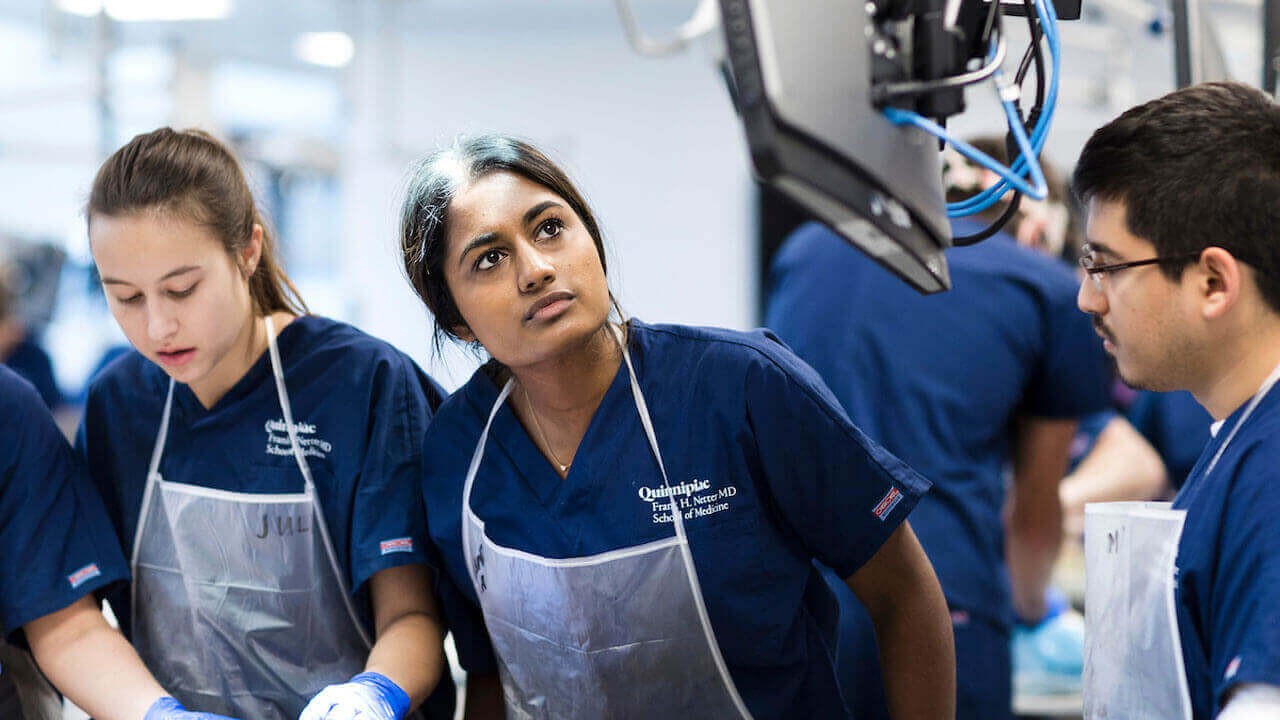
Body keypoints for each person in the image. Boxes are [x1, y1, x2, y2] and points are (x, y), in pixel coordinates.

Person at [399, 135, 955, 719]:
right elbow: (492, 673)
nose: (536, 269)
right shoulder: (457, 451)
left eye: (549, 228)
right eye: (489, 259)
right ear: (456, 320)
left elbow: (904, 596)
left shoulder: (742, 386)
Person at [76, 127, 455, 720]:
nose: (157, 328)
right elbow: (74, 626)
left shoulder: (362, 384)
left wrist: (372, 696)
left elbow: (413, 618)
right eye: (125, 297)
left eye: (182, 289)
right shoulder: (118, 405)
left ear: (248, 250)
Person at [765, 176, 1111, 715]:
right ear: (1041, 222)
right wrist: (1032, 610)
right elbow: (1034, 507)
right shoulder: (1044, 287)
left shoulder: (805, 249)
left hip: (800, 599)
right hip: (945, 602)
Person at [1073, 80, 1280, 719]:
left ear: (1213, 282)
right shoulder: (1241, 446)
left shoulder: (1271, 471)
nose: (1088, 297)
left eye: (1106, 266)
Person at [2, 365, 243, 720]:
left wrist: (159, 715)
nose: (160, 326)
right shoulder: (118, 398)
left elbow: (67, 627)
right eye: (130, 303)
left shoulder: (10, 410)